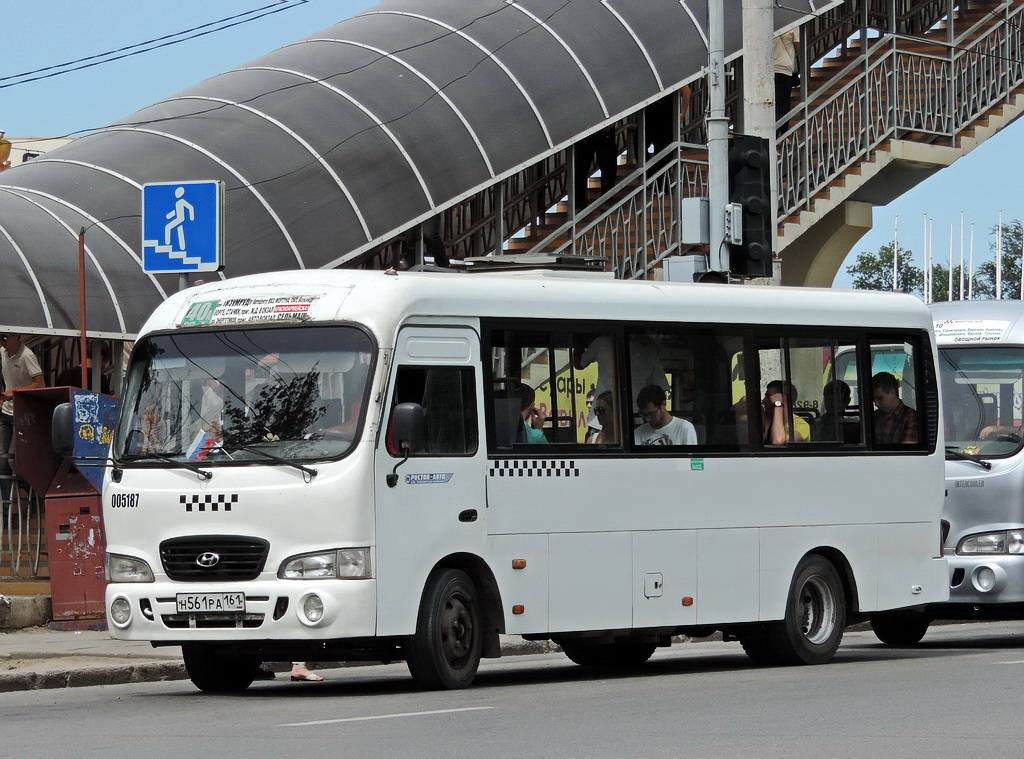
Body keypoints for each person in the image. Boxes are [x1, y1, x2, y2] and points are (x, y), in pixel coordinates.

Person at [0, 334, 44, 508]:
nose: (2, 342)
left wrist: (15, 391)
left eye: (5, 338)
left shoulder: (27, 355)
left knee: (13, 459)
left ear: (16, 337)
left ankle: (36, 493)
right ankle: (6, 508)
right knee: (3, 460)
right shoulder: (3, 352)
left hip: (23, 413)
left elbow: (40, 384)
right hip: (7, 411)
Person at [573, 125, 618, 211]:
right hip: (583, 125)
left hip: (603, 123)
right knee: (580, 165)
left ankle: (606, 198)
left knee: (607, 162)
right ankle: (579, 202)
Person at [871, 371, 918, 444]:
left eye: (880, 398)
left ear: (892, 393)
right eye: (873, 399)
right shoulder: (875, 416)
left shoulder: (910, 417)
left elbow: (908, 451)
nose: (876, 404)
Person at [762, 379, 808, 444]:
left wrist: (778, 405)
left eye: (768, 397)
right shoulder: (766, 419)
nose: (763, 401)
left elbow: (778, 441)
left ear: (784, 399)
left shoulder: (801, 425)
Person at [774, 27, 801, 123]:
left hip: (767, 70)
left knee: (770, 104)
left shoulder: (765, 22)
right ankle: (782, 134)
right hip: (784, 69)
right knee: (783, 106)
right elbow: (799, 48)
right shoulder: (793, 25)